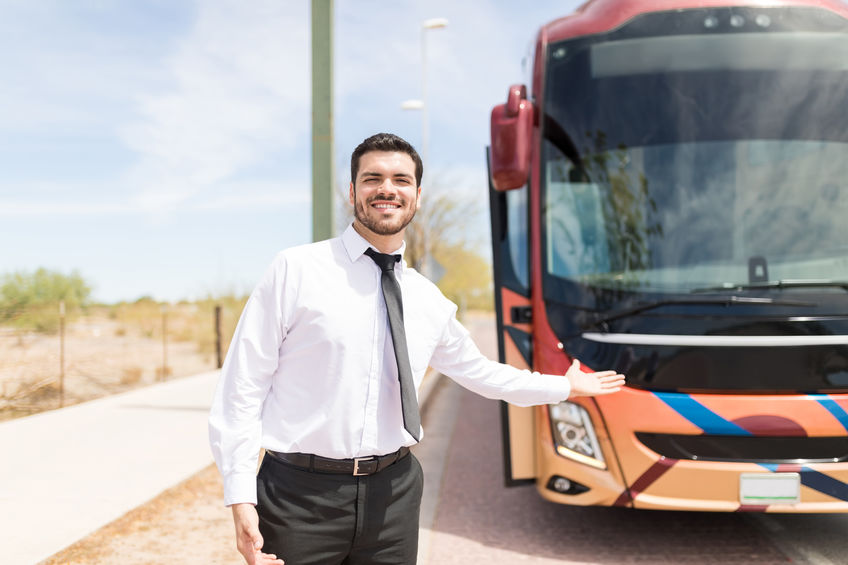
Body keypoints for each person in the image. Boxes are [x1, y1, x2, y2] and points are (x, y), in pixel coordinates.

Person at [208, 132, 625, 565]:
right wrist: (240, 496)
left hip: (395, 494)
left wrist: (564, 386)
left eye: (400, 180)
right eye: (372, 178)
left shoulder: (429, 301)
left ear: (417, 196)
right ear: (353, 192)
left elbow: (480, 373)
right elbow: (242, 386)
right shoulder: (296, 270)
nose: (387, 188)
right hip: (297, 497)